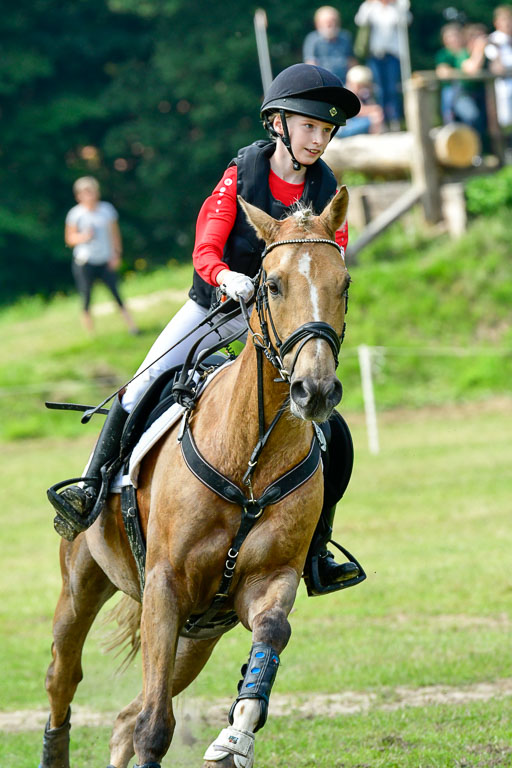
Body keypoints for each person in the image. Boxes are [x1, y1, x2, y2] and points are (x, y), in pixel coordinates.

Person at [48, 64, 363, 591]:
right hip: (218, 307)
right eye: (309, 127)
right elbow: (204, 250)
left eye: (326, 131)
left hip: (282, 322)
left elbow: (332, 254)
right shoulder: (244, 170)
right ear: (279, 124)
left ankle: (317, 549)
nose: (318, 139)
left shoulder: (327, 185)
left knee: (334, 434)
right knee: (139, 388)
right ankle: (91, 486)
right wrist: (228, 279)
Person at [65, 176, 138, 335]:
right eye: (84, 192)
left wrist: (116, 254)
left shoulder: (106, 210)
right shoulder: (75, 214)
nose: (89, 195)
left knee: (117, 294)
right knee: (86, 297)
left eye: (91, 191)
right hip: (85, 261)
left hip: (105, 259)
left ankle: (132, 327)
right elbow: (69, 239)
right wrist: (82, 237)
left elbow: (114, 234)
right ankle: (91, 334)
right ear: (78, 195)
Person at [354, 0, 409, 130]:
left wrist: (401, 5)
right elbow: (360, 20)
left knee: (392, 89)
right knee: (379, 89)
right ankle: (381, 121)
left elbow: (406, 21)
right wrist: (369, 4)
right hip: (375, 55)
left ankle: (394, 120)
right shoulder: (371, 7)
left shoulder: (396, 7)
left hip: (392, 55)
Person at [435, 22, 488, 139]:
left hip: (473, 92)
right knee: (462, 118)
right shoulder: (452, 54)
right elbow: (443, 71)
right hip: (456, 92)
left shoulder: (465, 52)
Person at [303, 6, 357, 83]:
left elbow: (352, 61)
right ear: (318, 24)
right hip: (323, 81)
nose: (332, 25)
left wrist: (353, 79)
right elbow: (311, 64)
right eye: (328, 23)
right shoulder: (312, 39)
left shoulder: (345, 37)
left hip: (344, 81)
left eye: (335, 21)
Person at [337, 64, 385, 136]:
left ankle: (375, 136)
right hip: (341, 129)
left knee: (375, 115)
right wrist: (374, 109)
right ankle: (375, 136)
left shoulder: (359, 93)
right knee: (375, 116)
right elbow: (357, 111)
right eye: (359, 85)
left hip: (350, 125)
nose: (362, 88)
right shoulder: (346, 93)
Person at [485, 5, 512, 130]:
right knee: (505, 120)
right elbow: (498, 66)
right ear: (497, 23)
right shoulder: (493, 40)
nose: (508, 23)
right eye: (504, 20)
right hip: (504, 85)